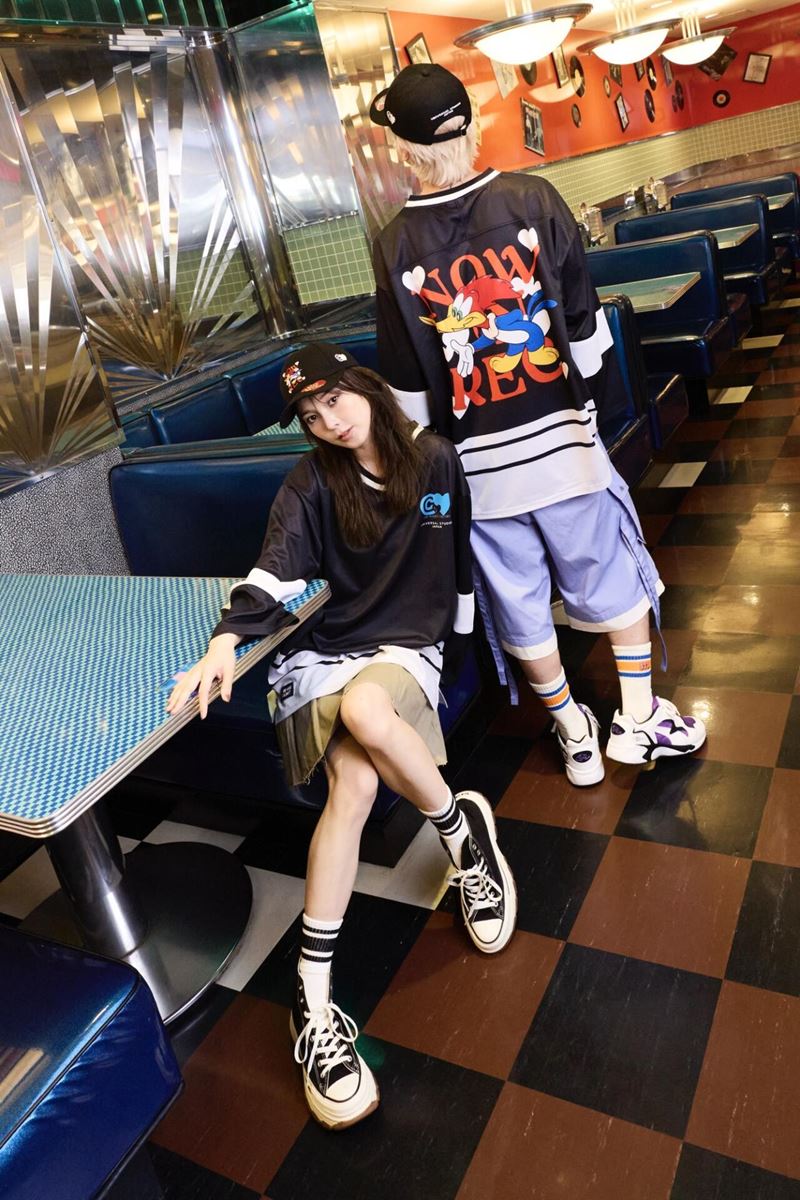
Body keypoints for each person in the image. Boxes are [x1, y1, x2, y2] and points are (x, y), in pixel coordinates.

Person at [167, 341, 517, 1131]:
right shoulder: (311, 481)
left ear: (365, 385)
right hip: (329, 651)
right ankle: (315, 996)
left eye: (335, 399)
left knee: (366, 712)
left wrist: (460, 634)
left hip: (405, 647)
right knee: (352, 785)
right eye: (311, 413)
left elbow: (454, 549)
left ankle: (458, 836)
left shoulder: (433, 458)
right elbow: (276, 567)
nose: (328, 420)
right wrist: (226, 639)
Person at [369, 63, 706, 784]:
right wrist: (590, 414)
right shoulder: (534, 198)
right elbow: (583, 328)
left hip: (478, 471)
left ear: (402, 149)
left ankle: (575, 734)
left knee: (519, 604)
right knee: (611, 577)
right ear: (472, 126)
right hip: (563, 446)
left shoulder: (394, 243)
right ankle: (638, 720)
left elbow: (407, 390)